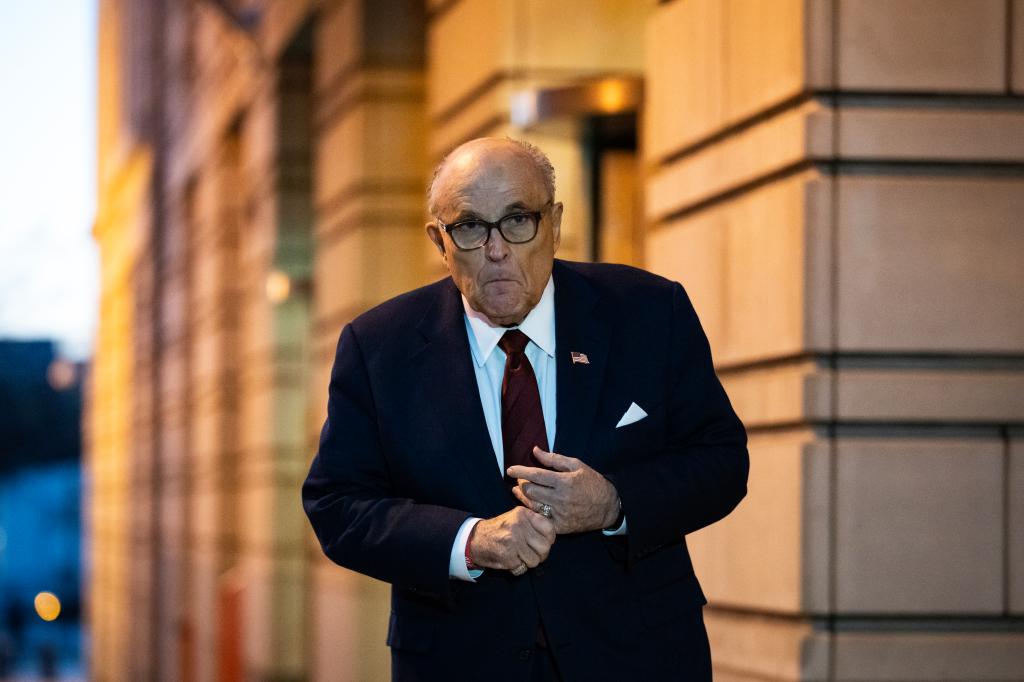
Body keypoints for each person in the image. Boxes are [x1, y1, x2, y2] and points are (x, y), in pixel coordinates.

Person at [302, 137, 748, 681]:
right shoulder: (379, 347)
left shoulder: (650, 313)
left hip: (638, 654)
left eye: (518, 220)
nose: (496, 249)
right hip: (460, 661)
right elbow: (337, 504)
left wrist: (613, 503)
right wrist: (468, 541)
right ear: (439, 241)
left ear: (555, 223)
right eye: (469, 227)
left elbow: (721, 461)